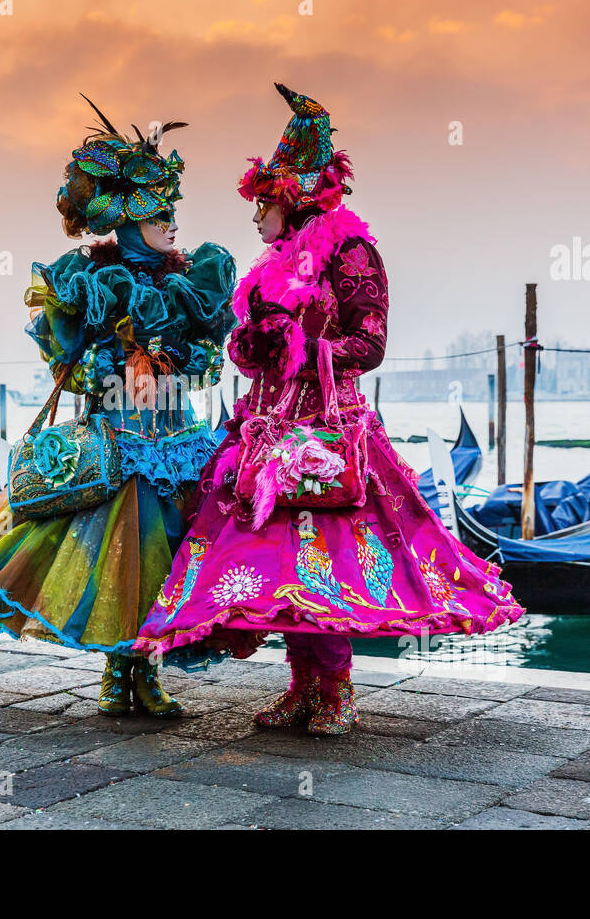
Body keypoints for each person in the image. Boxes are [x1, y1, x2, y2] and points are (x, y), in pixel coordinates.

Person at [132, 84, 523, 735]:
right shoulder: (269, 266)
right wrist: (256, 343)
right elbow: (254, 354)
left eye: (263, 204)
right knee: (281, 561)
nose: (255, 219)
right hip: (268, 429)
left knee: (328, 560)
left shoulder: (351, 253)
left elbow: (369, 344)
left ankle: (335, 690)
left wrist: (304, 346)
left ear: (291, 198)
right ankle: (301, 686)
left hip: (330, 432)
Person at [0, 97, 236, 717]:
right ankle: (114, 672)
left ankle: (145, 672)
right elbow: (67, 367)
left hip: (176, 447)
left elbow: (208, 364)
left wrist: (170, 364)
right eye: (158, 211)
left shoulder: (191, 285)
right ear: (128, 218)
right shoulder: (91, 285)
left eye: (174, 210)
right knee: (116, 563)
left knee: (166, 564)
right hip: (114, 445)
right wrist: (118, 368)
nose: (172, 222)